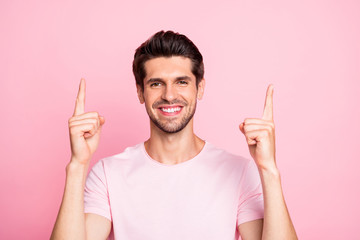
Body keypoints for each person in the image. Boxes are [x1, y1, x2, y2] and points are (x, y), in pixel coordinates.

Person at [51, 30, 297, 240]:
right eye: (156, 84)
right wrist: (77, 165)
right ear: (140, 92)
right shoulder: (108, 174)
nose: (169, 95)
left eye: (181, 82)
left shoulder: (239, 172)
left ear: (199, 88)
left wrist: (269, 170)